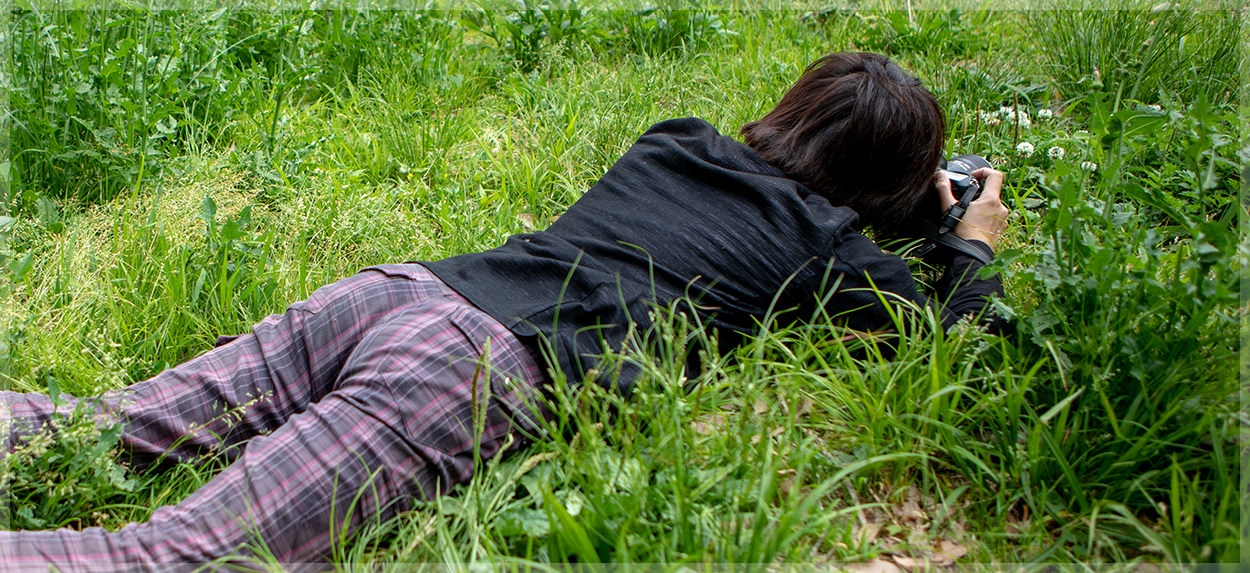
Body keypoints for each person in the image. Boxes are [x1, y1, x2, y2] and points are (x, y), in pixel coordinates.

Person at [0, 51, 1010, 571]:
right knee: (177, 557)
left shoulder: (676, 138)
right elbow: (952, 344)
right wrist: (964, 242)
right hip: (472, 370)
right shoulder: (828, 254)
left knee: (101, 425)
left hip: (401, 291)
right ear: (888, 186)